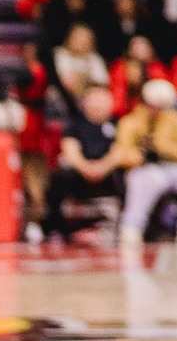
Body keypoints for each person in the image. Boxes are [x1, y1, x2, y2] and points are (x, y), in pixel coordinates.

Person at [113, 79, 177, 246]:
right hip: (144, 169)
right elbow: (123, 152)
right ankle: (132, 227)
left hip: (172, 166)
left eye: (162, 106)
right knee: (150, 178)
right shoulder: (130, 121)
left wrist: (162, 147)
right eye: (154, 105)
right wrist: (138, 156)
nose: (158, 110)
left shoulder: (176, 120)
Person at [47, 88, 124, 237]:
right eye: (94, 100)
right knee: (58, 178)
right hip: (81, 171)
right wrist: (85, 167)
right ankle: (56, 227)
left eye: (101, 101)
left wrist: (102, 167)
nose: (98, 105)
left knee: (127, 177)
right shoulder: (75, 123)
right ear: (85, 103)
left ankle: (126, 225)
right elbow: (69, 148)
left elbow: (120, 150)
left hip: (108, 173)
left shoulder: (118, 123)